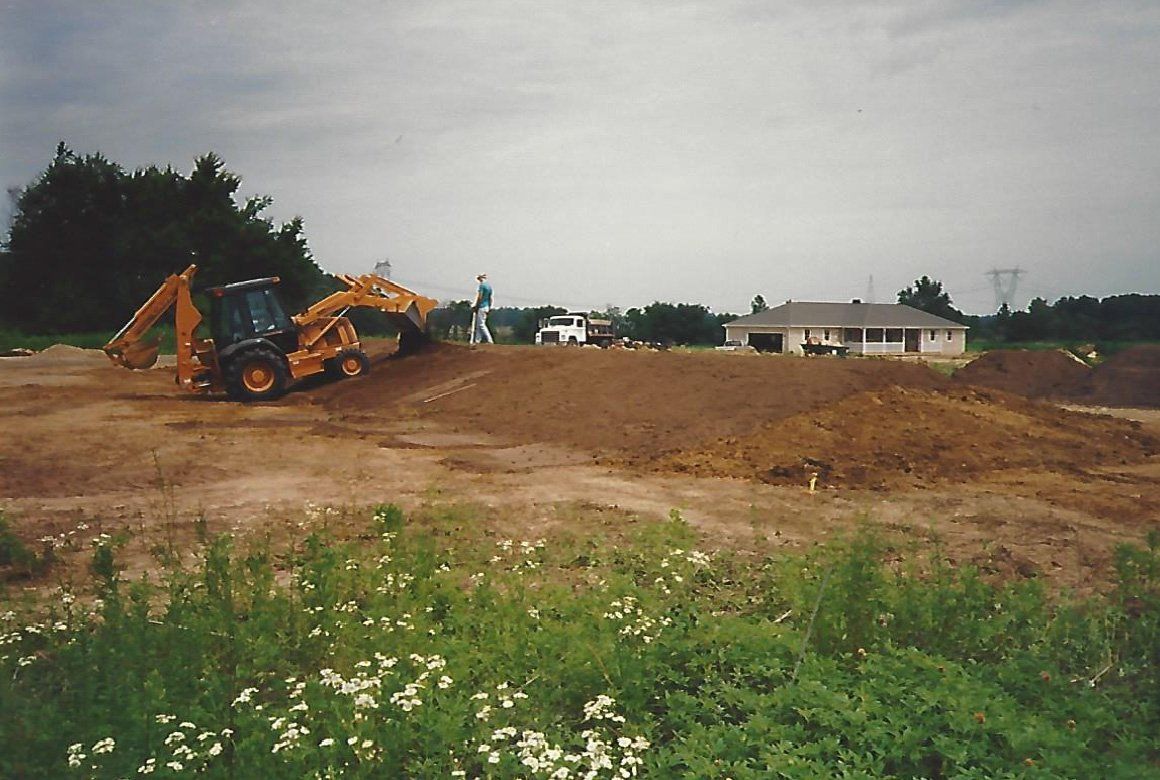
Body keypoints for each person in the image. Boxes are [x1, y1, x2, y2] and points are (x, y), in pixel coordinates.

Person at [471, 273, 493, 345]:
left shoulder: (482, 286)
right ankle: (477, 340)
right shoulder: (489, 287)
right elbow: (490, 298)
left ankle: (489, 340)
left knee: (481, 324)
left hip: (481, 307)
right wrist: (489, 307)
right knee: (478, 324)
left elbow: (480, 297)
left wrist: (476, 306)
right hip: (486, 307)